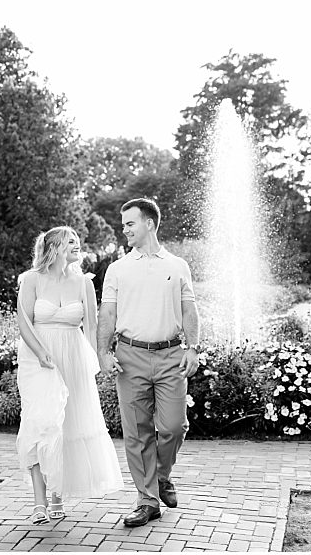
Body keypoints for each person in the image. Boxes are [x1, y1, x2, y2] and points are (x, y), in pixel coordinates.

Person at [97, 197, 200, 527]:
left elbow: (188, 311)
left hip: (171, 355)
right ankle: (147, 500)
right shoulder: (117, 269)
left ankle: (161, 477)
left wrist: (193, 348)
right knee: (137, 433)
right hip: (129, 357)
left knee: (173, 426)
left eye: (130, 223)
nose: (124, 229)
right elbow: (108, 314)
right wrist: (103, 352)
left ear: (149, 224)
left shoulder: (177, 265)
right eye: (124, 224)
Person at [16, 226, 124, 525]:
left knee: (67, 424)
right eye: (71, 241)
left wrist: (100, 360)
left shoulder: (83, 283)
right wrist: (40, 352)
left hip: (73, 358)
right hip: (38, 358)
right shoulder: (31, 279)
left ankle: (57, 496)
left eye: (79, 241)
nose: (78, 245)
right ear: (54, 247)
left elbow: (90, 327)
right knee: (41, 424)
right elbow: (24, 323)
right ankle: (39, 501)